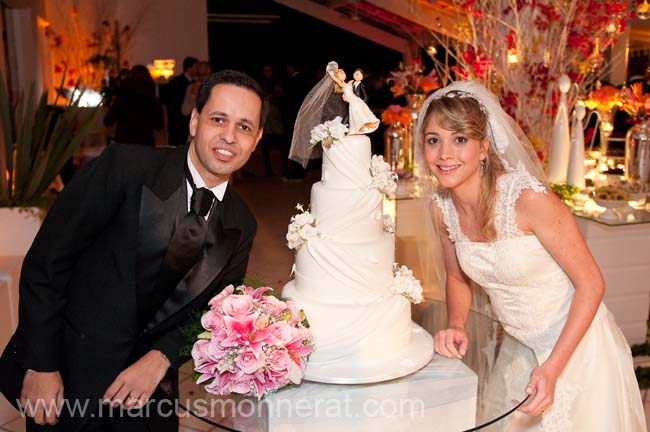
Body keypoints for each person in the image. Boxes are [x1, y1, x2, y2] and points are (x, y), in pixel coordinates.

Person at [0, 70, 267, 431]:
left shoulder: (242, 224)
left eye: (244, 127)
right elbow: (49, 262)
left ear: (257, 139)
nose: (229, 137)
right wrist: (41, 364)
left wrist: (162, 357)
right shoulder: (124, 168)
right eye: (218, 119)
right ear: (194, 121)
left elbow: (213, 311)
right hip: (67, 377)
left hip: (148, 397)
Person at [416, 81, 645, 430]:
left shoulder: (528, 200)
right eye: (434, 140)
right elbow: (455, 275)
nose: (445, 153)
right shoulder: (441, 209)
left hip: (578, 348)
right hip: (519, 350)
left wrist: (553, 367)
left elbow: (592, 285)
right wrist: (457, 324)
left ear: (484, 148)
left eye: (459, 139)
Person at [103, 64, 164, 146]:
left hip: (124, 142)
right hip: (145, 143)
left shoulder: (123, 96)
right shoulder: (152, 99)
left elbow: (108, 120)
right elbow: (159, 125)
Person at [327, 67, 379, 135]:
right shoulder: (343, 84)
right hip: (352, 101)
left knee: (361, 113)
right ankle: (356, 128)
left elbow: (356, 87)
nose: (344, 75)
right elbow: (336, 80)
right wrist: (331, 74)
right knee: (355, 115)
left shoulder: (350, 82)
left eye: (344, 73)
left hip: (356, 100)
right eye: (341, 74)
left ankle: (364, 125)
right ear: (338, 77)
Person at [164, 56, 199, 146]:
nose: (197, 70)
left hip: (188, 123)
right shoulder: (176, 82)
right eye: (196, 67)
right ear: (189, 67)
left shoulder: (194, 82)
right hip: (178, 122)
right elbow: (172, 103)